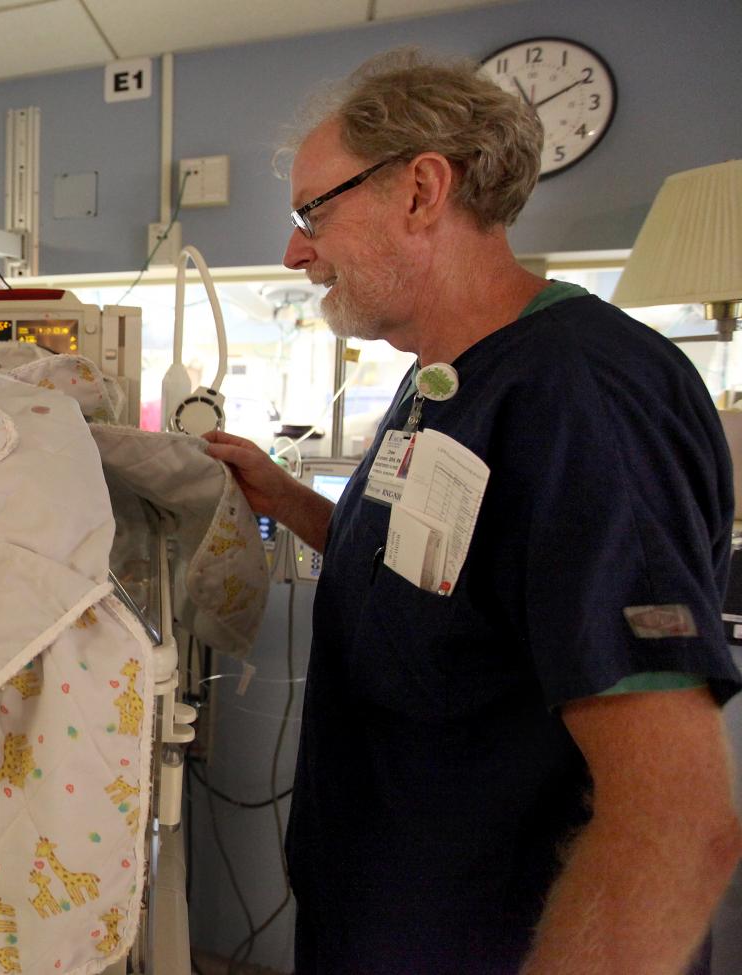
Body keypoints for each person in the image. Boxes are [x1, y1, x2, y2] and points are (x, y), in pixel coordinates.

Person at [204, 50, 742, 974]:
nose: (296, 251)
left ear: (420, 191)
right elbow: (441, 583)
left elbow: (678, 825)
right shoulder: (439, 383)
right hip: (380, 917)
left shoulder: (582, 398)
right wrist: (286, 497)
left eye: (312, 213)